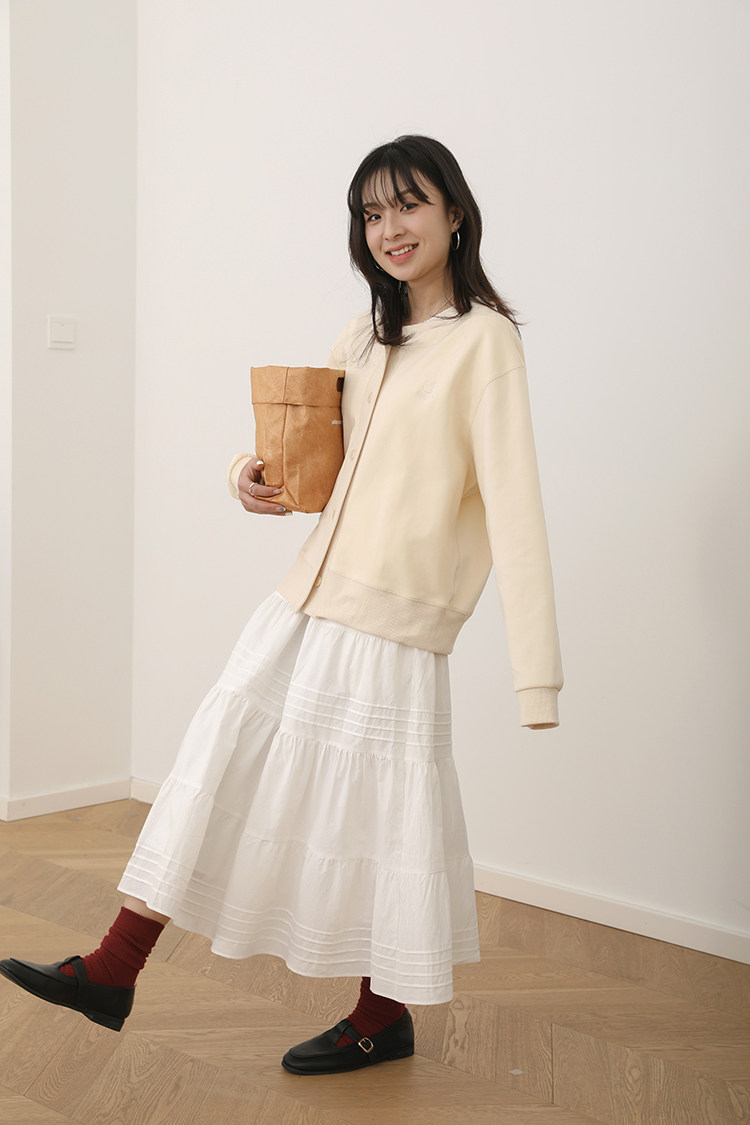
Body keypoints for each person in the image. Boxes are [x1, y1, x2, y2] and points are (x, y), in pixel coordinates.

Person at [0, 135, 562, 1075]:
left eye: (408, 205)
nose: (390, 229)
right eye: (372, 214)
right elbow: (308, 459)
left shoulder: (485, 343)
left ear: (455, 213)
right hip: (306, 597)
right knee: (215, 761)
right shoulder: (364, 336)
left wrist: (536, 677)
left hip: (395, 621)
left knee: (380, 822)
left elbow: (517, 509)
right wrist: (245, 473)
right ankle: (113, 966)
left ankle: (382, 1015)